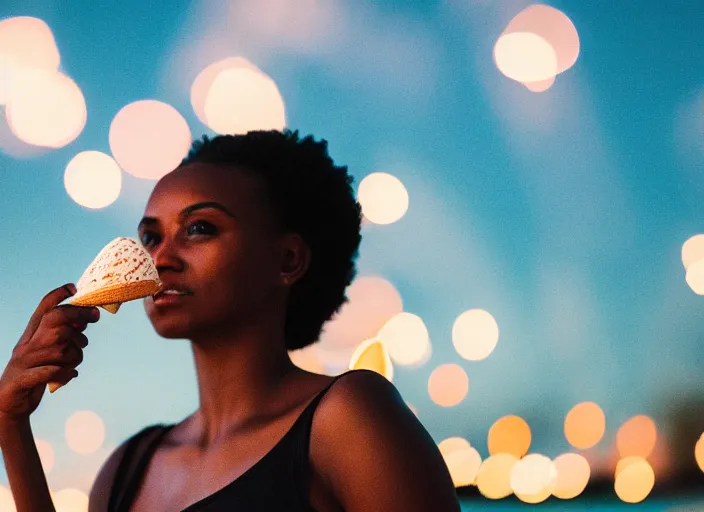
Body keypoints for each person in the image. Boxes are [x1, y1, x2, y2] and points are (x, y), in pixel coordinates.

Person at [0, 130, 461, 511]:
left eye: (200, 228)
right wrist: (11, 423)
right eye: (150, 236)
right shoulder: (126, 468)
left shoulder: (348, 417)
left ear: (287, 259)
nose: (159, 259)